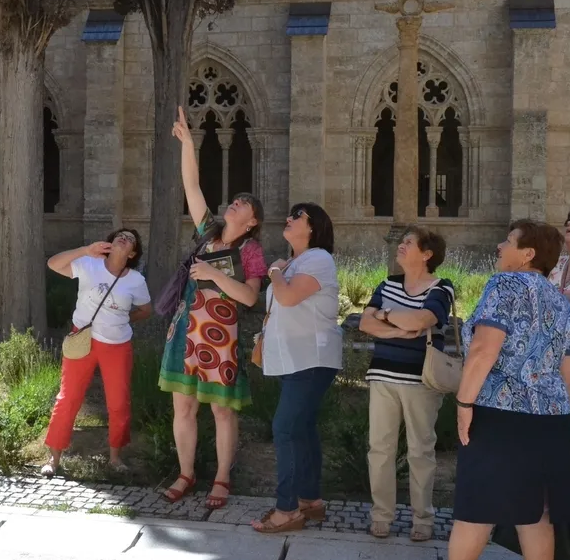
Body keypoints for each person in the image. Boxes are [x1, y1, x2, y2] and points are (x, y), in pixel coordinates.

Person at [448, 220, 570, 560]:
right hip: (551, 418)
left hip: (499, 414)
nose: (500, 246)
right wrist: (561, 422)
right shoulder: (561, 301)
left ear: (528, 254)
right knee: (535, 514)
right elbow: (568, 371)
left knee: (477, 509)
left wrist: (464, 403)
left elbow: (483, 350)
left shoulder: (505, 284)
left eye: (508, 241)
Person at [158, 106, 268, 509]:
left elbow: (250, 297)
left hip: (222, 340)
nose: (234, 205)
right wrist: (188, 143)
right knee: (183, 407)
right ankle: (185, 473)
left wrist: (212, 274)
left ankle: (222, 479)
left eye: (243, 205)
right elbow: (192, 185)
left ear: (252, 222)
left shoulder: (251, 250)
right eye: (235, 201)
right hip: (185, 332)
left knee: (222, 412)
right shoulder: (208, 232)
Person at [249, 202, 342, 533]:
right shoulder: (294, 262)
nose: (288, 218)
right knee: (301, 428)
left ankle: (287, 510)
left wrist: (274, 272)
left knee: (285, 428)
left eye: (297, 216)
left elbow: (287, 298)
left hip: (310, 358)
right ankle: (310, 500)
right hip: (295, 358)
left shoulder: (318, 258)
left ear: (313, 227)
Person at [359, 225, 455, 541]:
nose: (401, 245)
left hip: (421, 381)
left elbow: (423, 320)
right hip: (382, 377)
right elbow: (365, 323)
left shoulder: (442, 287)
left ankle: (423, 519)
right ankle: (381, 516)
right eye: (401, 241)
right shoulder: (387, 283)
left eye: (408, 242)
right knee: (379, 449)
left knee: (420, 452)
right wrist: (399, 328)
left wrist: (385, 315)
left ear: (427, 254)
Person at [42, 228, 152, 476]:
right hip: (83, 340)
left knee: (118, 402)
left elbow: (146, 310)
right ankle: (54, 458)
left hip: (117, 345)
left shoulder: (136, 280)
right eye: (120, 235)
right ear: (109, 244)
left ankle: (115, 458)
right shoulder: (89, 264)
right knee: (68, 398)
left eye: (130, 239)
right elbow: (53, 264)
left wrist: (123, 319)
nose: (123, 238)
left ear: (132, 253)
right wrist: (84, 250)